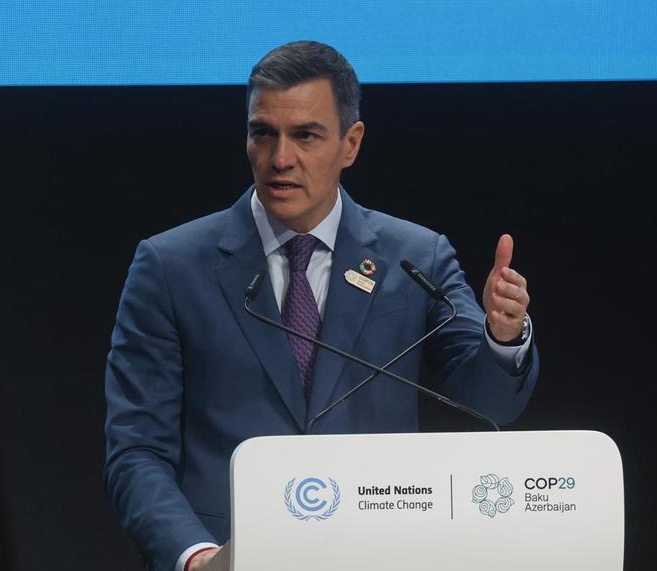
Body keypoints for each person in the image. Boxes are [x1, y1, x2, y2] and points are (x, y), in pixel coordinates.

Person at [103, 41, 539, 571]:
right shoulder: (170, 267)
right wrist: (196, 556)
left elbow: (490, 404)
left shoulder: (415, 259)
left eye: (305, 135)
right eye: (263, 133)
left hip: (379, 554)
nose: (280, 158)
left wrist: (503, 336)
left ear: (350, 143)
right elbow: (136, 450)